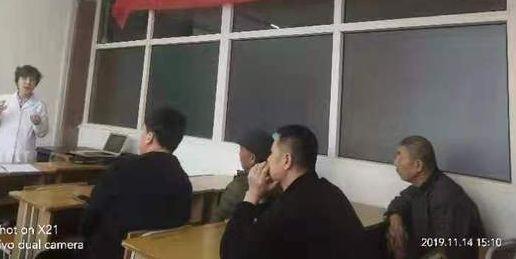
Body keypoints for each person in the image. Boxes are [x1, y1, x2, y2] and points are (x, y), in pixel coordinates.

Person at [220, 124, 365, 259]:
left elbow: (231, 253)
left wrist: (252, 195)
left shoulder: (289, 208)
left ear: (286, 161)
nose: (268, 159)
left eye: (271, 153)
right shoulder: (331, 192)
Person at [79, 107, 192, 259]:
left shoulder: (121, 169)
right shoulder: (184, 181)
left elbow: (90, 219)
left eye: (144, 132)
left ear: (149, 137)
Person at [386, 136, 485, 259]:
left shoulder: (447, 197)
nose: (395, 162)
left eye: (400, 156)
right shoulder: (420, 187)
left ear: (418, 165)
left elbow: (445, 253)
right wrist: (395, 221)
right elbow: (399, 202)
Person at [0, 65, 49, 163]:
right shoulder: (3, 100)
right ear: (17, 81)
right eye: (24, 78)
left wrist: (38, 123)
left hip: (23, 159)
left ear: (36, 84)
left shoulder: (39, 105)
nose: (28, 82)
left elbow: (42, 133)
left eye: (32, 80)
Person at [211, 128, 273, 222]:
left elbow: (217, 219)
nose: (239, 154)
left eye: (241, 150)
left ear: (252, 158)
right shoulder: (275, 184)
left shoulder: (238, 187)